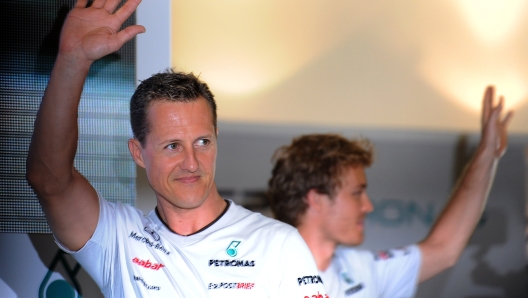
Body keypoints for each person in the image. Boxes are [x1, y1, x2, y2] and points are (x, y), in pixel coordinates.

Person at [26, 0, 327, 297]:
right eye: (172, 146)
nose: (192, 163)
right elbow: (49, 180)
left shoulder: (277, 243)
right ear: (138, 153)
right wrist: (73, 59)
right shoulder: (120, 240)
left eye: (202, 142)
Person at [267, 87, 513, 298]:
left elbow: (444, 248)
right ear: (316, 199)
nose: (368, 206)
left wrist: (487, 156)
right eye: (356, 193)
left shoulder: (362, 270)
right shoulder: (253, 273)